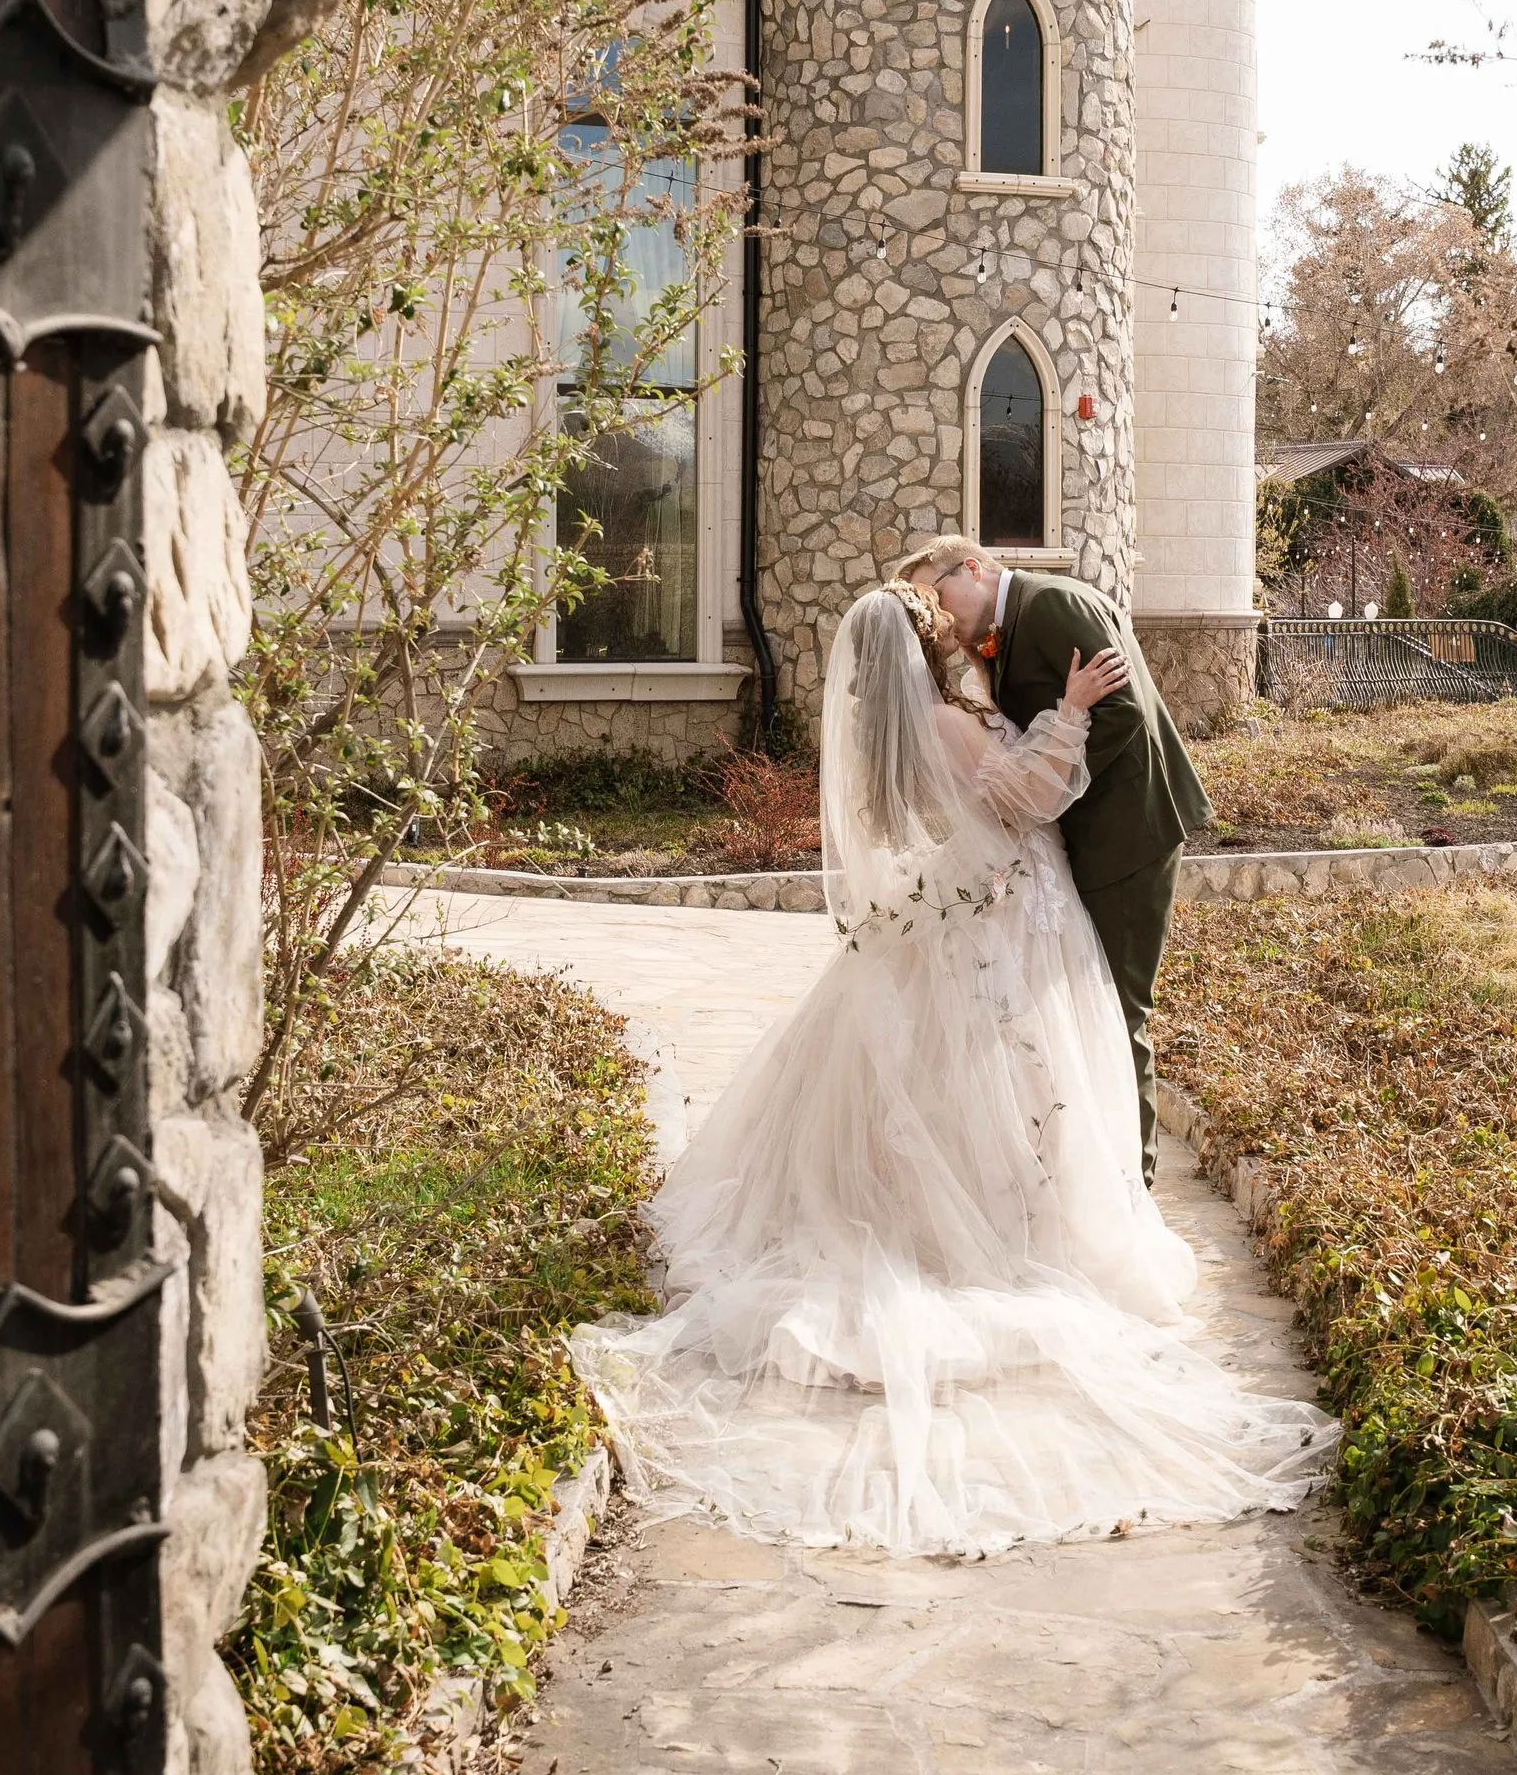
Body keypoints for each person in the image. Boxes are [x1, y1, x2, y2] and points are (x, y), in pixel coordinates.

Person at [570, 584, 1335, 1558]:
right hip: (1004, 917)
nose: (957, 633)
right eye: (943, 630)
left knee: (945, 1087)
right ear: (927, 653)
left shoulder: (896, 733)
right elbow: (1027, 800)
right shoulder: (941, 718)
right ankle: (1000, 1239)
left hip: (956, 913)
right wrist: (1069, 714)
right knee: (1005, 1081)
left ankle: (952, 1218)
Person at [889, 534, 1209, 1183]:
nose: (937, 611)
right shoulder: (996, 640)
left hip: (1126, 835)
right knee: (1066, 1013)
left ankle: (1132, 1185)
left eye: (936, 591)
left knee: (1119, 1007)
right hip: (1064, 845)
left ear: (974, 569)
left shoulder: (1052, 605)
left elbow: (1120, 716)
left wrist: (1040, 798)